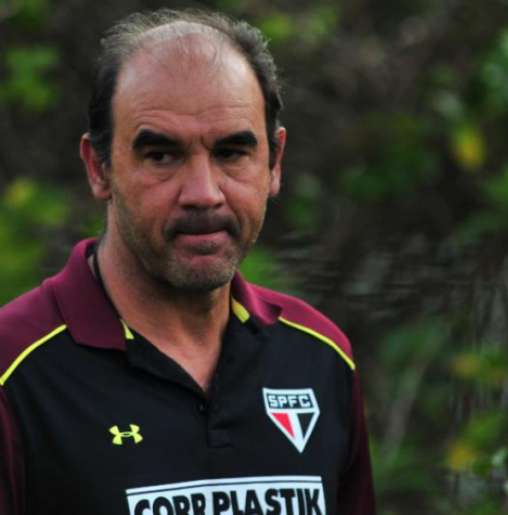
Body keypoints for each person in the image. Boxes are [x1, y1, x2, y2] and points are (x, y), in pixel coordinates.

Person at [0, 9, 374, 515]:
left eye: (231, 153)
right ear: (98, 168)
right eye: (162, 155)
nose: (203, 194)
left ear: (274, 162)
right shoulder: (15, 370)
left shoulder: (320, 358)